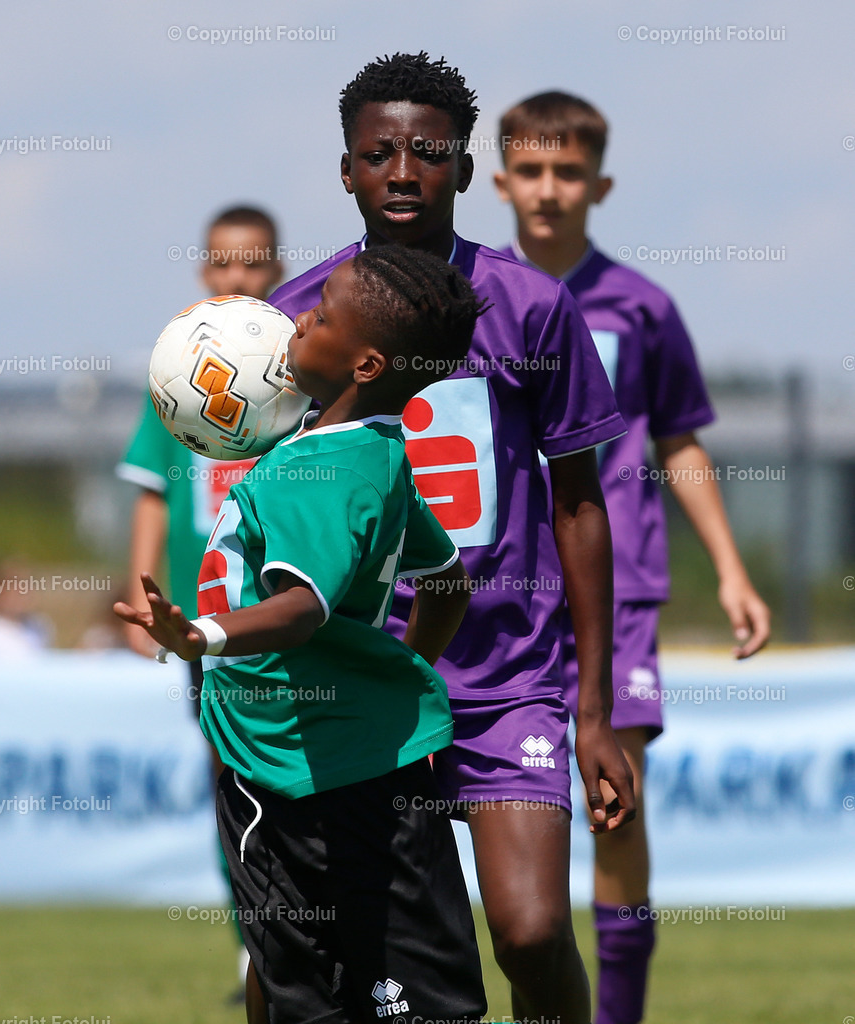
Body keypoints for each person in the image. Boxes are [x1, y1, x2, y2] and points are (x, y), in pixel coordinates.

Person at [266, 53, 636, 1024]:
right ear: (344, 170)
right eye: (377, 152)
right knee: (296, 946)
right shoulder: (293, 324)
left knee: (528, 930)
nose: (402, 170)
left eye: (428, 152)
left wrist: (593, 708)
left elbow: (583, 503)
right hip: (350, 687)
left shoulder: (532, 306)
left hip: (504, 679)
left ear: (467, 170)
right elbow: (257, 502)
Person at [115, 244, 489, 1024]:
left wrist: (204, 636)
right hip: (371, 762)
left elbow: (302, 609)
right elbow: (448, 579)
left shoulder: (312, 470)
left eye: (318, 318)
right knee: (411, 990)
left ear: (364, 363)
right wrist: (398, 667)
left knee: (308, 993)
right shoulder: (379, 454)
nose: (293, 324)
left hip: (289, 775)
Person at [494, 90, 771, 1024]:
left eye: (568, 171)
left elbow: (679, 441)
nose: (549, 188)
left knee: (621, 803)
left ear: (599, 183)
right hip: (499, 596)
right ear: (499, 179)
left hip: (618, 592)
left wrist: (730, 569)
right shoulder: (472, 299)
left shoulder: (643, 308)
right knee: (488, 811)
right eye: (530, 170)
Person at [116, 204, 282, 1003]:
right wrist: (143, 588)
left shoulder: (293, 367)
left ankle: (307, 934)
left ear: (277, 269)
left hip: (284, 616)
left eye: (252, 263)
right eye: (223, 264)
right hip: (201, 627)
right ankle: (252, 947)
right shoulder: (179, 369)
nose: (237, 278)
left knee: (293, 781)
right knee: (231, 782)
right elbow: (152, 494)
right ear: (202, 272)